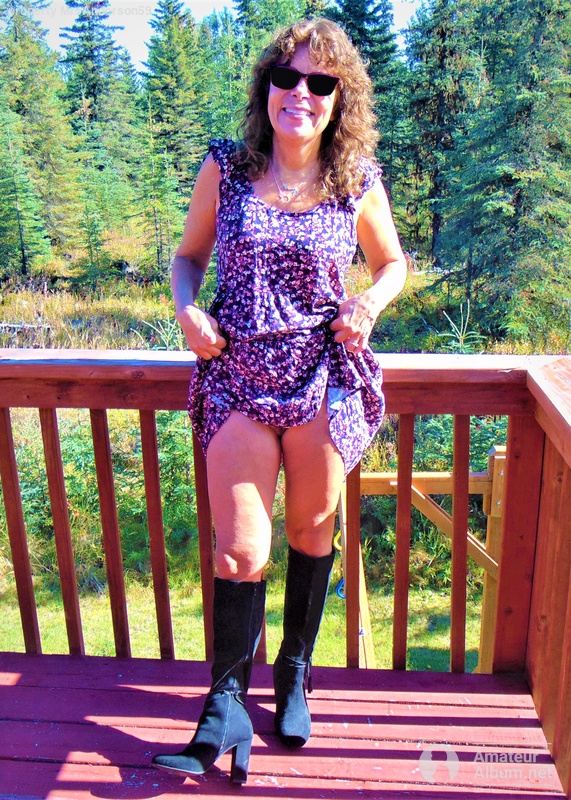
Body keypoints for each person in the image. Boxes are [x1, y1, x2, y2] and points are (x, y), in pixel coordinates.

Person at [152, 17, 406, 784]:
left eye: (319, 81)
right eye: (287, 77)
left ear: (339, 97)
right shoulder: (226, 167)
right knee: (238, 551)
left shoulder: (354, 178)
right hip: (235, 373)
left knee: (309, 530)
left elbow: (391, 263)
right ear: (266, 87)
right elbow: (187, 256)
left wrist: (368, 303)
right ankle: (224, 704)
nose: (301, 92)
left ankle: (293, 672)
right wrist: (186, 310)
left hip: (320, 377)